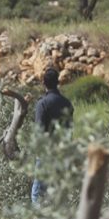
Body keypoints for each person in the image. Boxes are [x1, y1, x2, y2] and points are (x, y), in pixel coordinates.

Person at [31, 68, 74, 204]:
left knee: (37, 193)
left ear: (44, 83)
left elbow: (39, 130)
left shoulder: (42, 103)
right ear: (57, 82)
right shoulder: (67, 103)